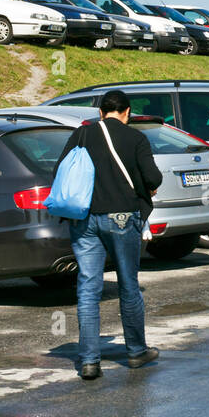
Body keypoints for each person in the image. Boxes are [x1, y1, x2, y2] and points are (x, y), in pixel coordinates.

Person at [56, 90, 164, 380]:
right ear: (126, 112)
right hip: (122, 217)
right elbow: (153, 178)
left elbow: (62, 170)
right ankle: (136, 352)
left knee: (88, 289)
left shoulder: (82, 135)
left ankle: (90, 361)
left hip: (84, 219)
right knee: (128, 285)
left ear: (101, 112)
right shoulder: (136, 138)